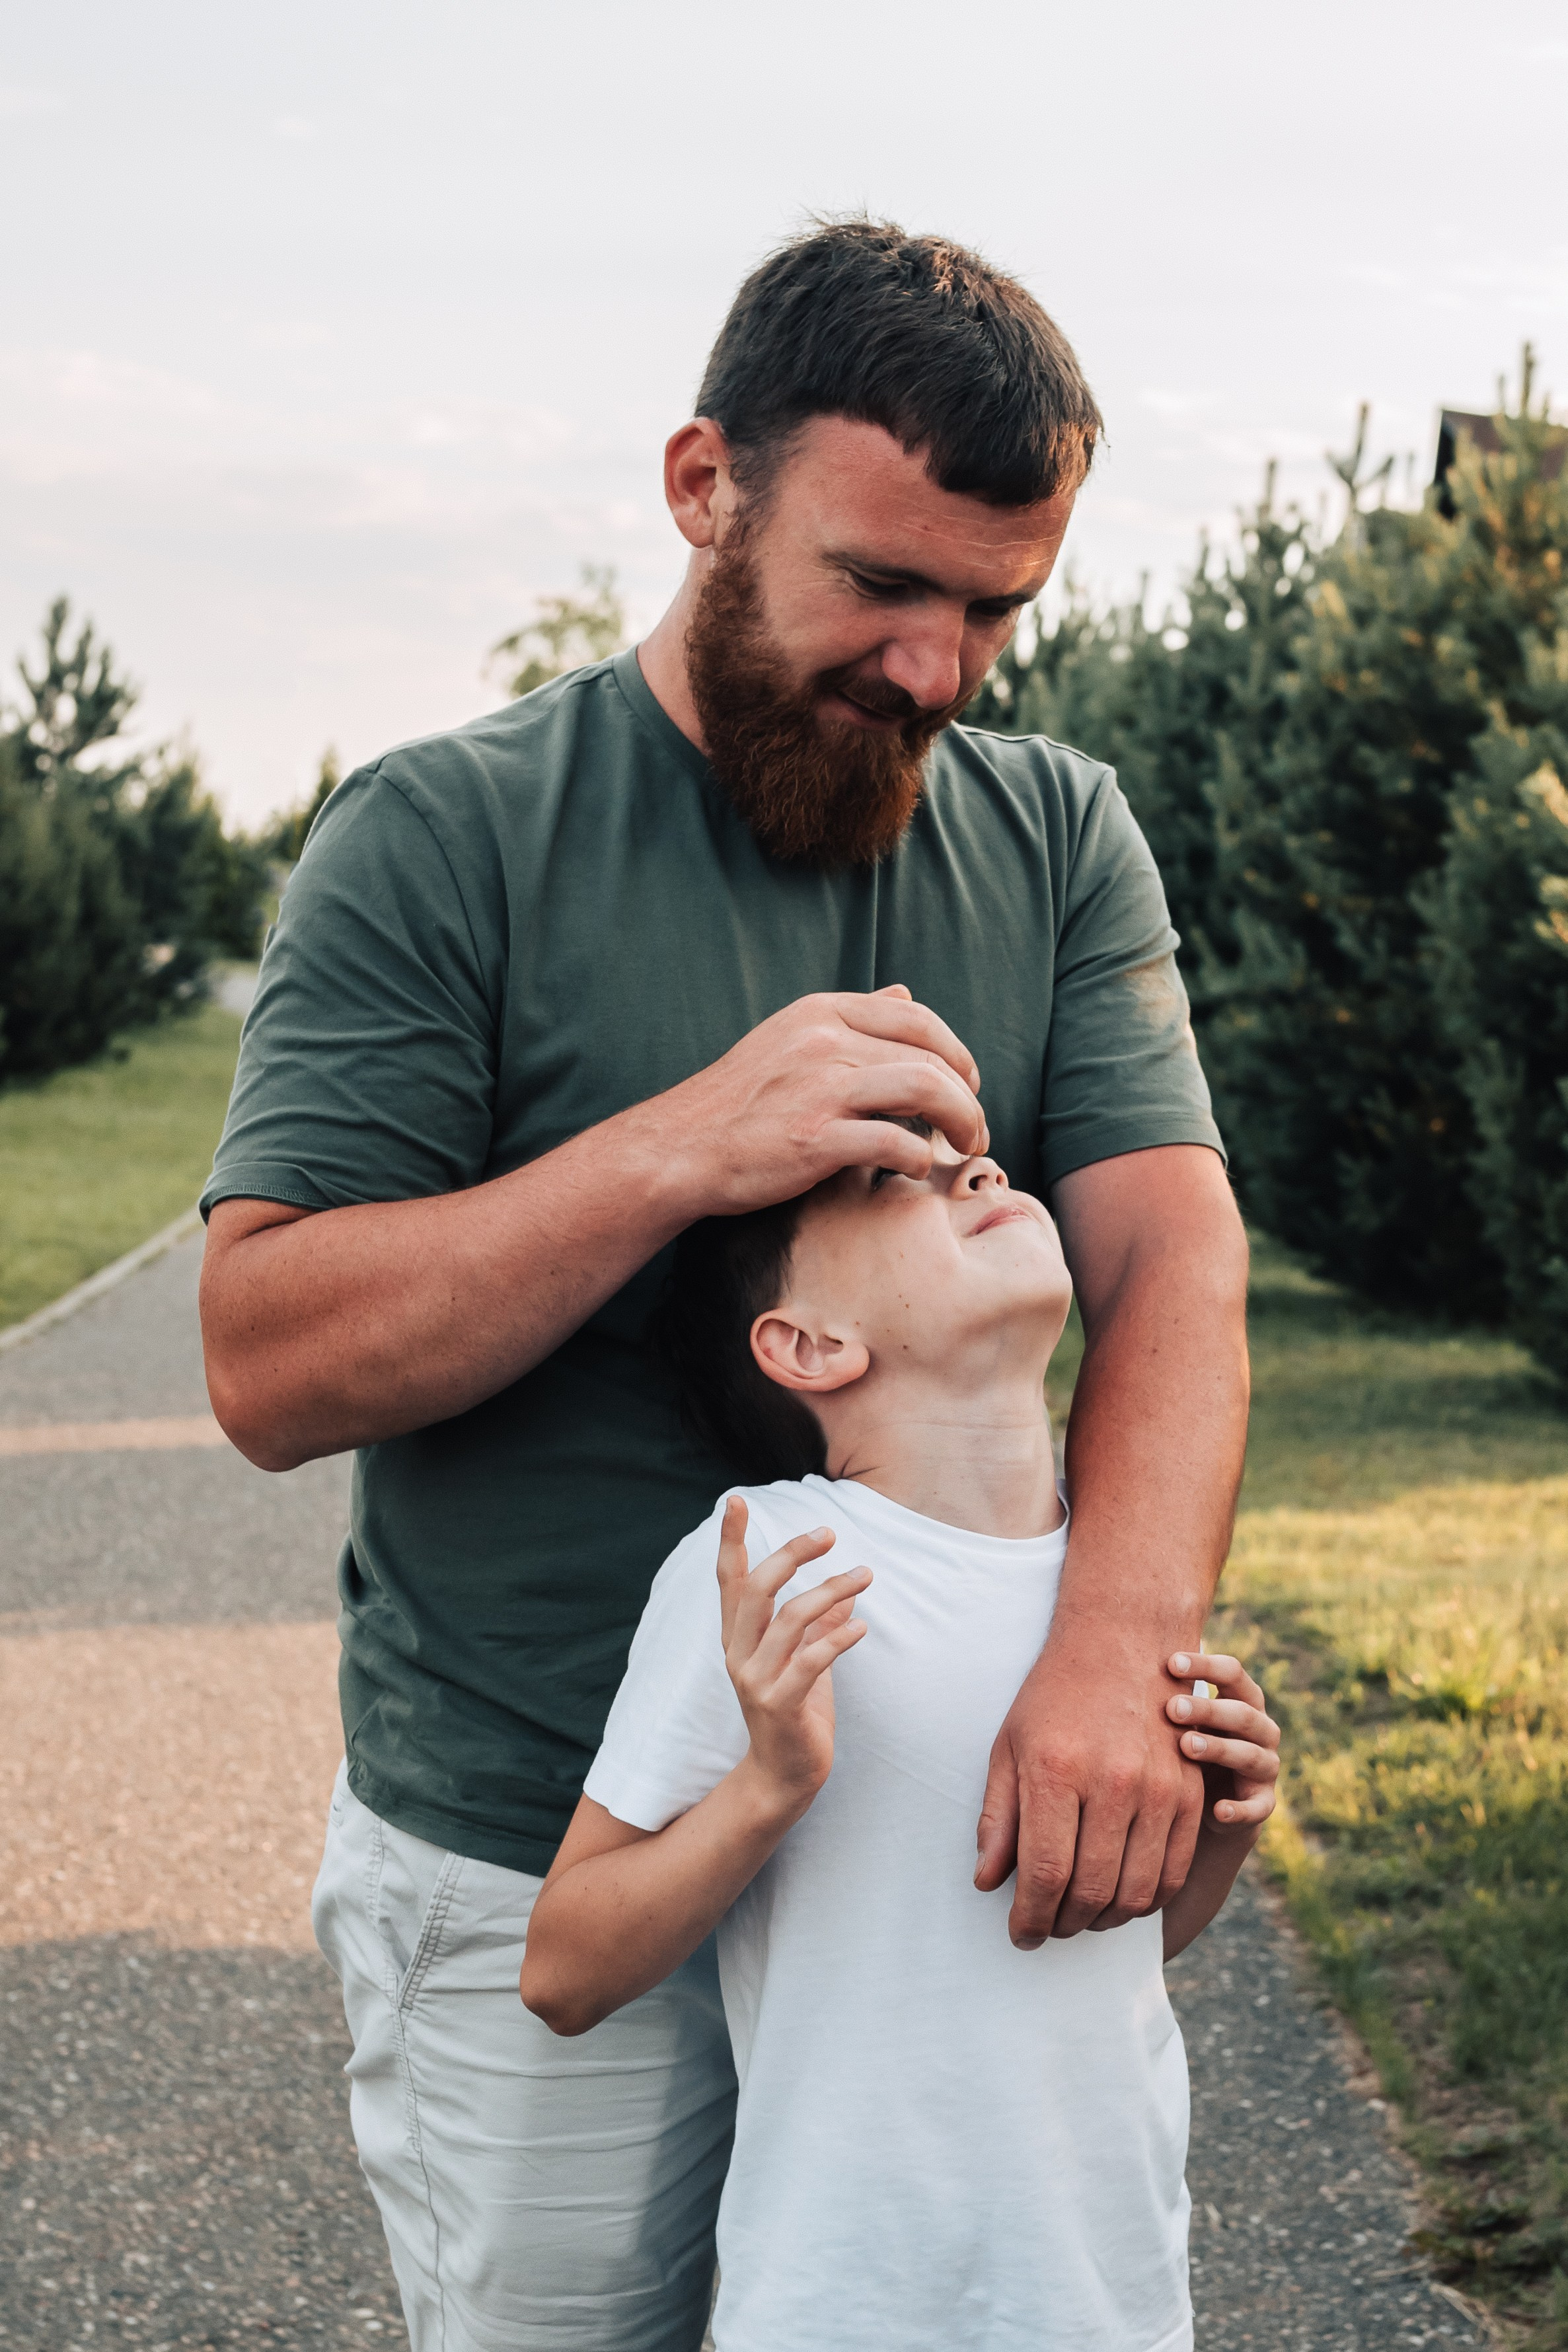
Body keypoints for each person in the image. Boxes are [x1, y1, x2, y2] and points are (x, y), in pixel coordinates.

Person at [198, 219, 1250, 2350]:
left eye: (993, 610)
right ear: (705, 486)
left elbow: (1173, 1266)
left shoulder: (1055, 841)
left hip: (926, 1870)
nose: (936, 672)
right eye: (881, 586)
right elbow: (265, 1360)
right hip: (533, 1856)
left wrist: (1113, 1658)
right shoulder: (439, 835)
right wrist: (682, 1148)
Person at [521, 1129, 1281, 2351]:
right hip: (841, 2306)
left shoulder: (1121, 1591)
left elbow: (1089, 1950)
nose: (977, 1172)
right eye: (893, 1184)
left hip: (1101, 2298)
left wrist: (1218, 1837)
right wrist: (769, 1785)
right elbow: (563, 1971)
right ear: (809, 1344)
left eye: (969, 1162)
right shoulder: (767, 1564)